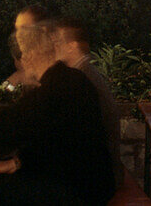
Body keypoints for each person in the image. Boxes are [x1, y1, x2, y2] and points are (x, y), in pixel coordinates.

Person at [0, 23, 114, 206]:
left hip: (77, 190)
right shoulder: (74, 78)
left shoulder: (52, 89)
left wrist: (17, 80)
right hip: (91, 181)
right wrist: (19, 162)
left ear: (28, 57)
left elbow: (1, 136)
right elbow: (55, 142)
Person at [50, 16, 124, 190]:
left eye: (57, 43)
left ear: (71, 46)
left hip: (95, 179)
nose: (52, 48)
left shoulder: (83, 82)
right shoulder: (82, 74)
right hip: (95, 170)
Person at [4, 4, 52, 88]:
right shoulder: (20, 55)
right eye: (17, 29)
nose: (18, 34)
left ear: (43, 29)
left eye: (24, 28)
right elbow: (8, 86)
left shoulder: (55, 60)